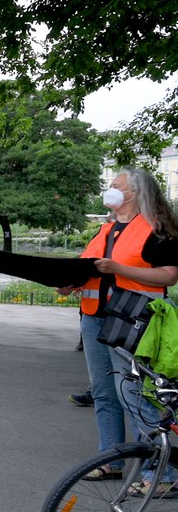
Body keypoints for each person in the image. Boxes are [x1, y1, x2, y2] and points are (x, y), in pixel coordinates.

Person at [57, 169, 178, 477]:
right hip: (94, 318)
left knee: (133, 393)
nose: (109, 190)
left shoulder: (156, 229)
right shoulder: (106, 230)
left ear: (135, 193)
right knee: (104, 392)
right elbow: (89, 268)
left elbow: (169, 276)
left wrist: (119, 268)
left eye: (116, 186)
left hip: (133, 321)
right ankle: (110, 461)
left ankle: (160, 474)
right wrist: (68, 284)